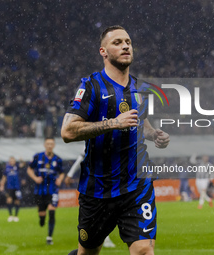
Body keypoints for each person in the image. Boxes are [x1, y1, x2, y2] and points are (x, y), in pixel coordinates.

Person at [61, 25, 170, 255]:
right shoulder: (91, 86)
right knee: (88, 252)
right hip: (98, 189)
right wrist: (113, 123)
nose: (125, 46)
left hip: (136, 185)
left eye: (128, 42)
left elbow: (141, 121)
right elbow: (68, 131)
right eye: (117, 42)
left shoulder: (141, 89)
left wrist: (154, 135)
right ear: (103, 51)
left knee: (143, 250)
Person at [65, 147, 116, 248]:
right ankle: (99, 238)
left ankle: (100, 237)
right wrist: (70, 174)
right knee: (101, 212)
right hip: (96, 183)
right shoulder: (93, 140)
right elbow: (81, 158)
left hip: (106, 182)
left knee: (105, 212)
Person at [27, 137, 65, 245]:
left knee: (52, 211)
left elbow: (62, 172)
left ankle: (49, 237)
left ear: (54, 145)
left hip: (52, 190)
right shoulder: (37, 156)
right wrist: (35, 178)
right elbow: (29, 169)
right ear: (44, 145)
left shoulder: (58, 159)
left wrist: (60, 179)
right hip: (39, 191)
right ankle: (42, 219)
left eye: (51, 144)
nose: (49, 146)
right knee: (42, 215)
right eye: (47, 144)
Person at [0, 156, 24, 222]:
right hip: (9, 187)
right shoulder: (7, 169)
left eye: (13, 160)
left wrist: (22, 161)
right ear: (9, 161)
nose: (12, 162)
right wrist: (2, 185)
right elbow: (4, 177)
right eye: (11, 160)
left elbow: (23, 164)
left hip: (17, 187)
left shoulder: (17, 167)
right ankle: (10, 215)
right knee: (9, 200)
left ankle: (16, 216)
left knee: (17, 201)